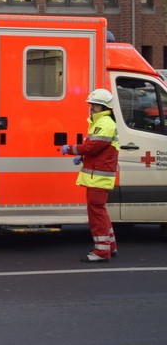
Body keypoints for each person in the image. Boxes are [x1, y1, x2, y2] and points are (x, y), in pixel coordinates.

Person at [61, 88, 120, 262]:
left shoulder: (105, 123)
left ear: (103, 107)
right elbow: (98, 148)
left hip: (98, 176)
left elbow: (93, 147)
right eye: (91, 105)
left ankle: (102, 252)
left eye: (94, 105)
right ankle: (110, 246)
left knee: (96, 213)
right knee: (100, 211)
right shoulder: (102, 122)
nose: (91, 107)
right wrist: (83, 156)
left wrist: (72, 149)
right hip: (98, 174)